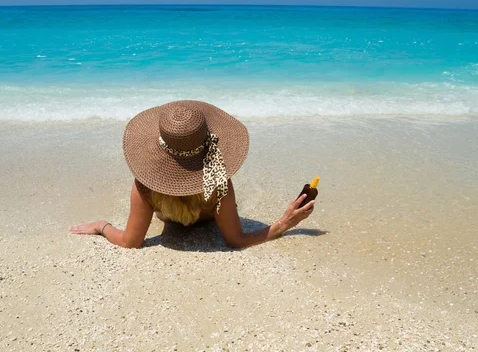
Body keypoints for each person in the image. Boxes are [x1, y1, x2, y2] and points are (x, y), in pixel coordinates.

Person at [69, 100, 315, 248]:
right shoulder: (219, 182)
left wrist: (101, 226)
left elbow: (130, 242)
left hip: (168, 215)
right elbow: (236, 240)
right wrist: (284, 223)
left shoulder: (145, 185)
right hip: (211, 215)